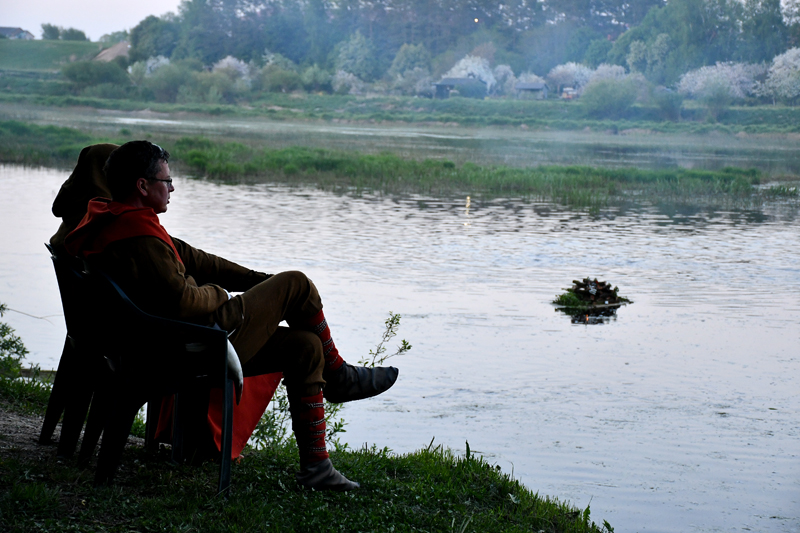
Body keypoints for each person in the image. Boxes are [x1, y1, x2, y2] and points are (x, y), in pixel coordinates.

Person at [63, 140, 398, 491]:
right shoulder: (138, 239)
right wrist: (222, 293)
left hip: (165, 338)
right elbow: (184, 301)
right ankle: (339, 375)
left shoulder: (119, 220)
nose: (172, 188)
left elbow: (198, 260)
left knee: (305, 346)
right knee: (298, 284)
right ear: (142, 186)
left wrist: (259, 282)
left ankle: (317, 467)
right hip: (191, 345)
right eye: (166, 180)